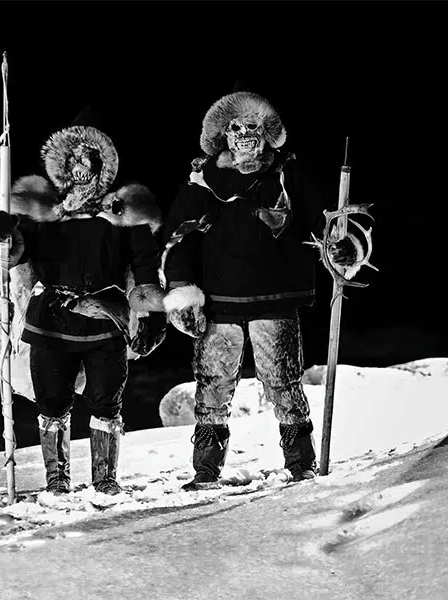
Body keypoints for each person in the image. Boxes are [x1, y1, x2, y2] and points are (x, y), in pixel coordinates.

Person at [160, 87, 358, 490]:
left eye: (253, 127)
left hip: (275, 298)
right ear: (224, 136)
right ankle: (205, 470)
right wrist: (182, 292)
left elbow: (324, 224)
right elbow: (180, 239)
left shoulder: (289, 177)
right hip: (219, 303)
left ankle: (301, 462)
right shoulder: (203, 182)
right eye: (236, 128)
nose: (245, 135)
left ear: (267, 132)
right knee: (213, 385)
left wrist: (340, 247)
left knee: (283, 381)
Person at [0, 112, 166, 496]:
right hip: (50, 323)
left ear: (103, 166)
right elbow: (8, 259)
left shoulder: (123, 218)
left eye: (89, 159)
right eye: (73, 159)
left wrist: (152, 314)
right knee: (52, 404)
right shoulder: (41, 216)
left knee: (106, 403)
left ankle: (105, 480)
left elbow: (144, 267)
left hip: (105, 320)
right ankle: (57, 480)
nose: (81, 167)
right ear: (61, 166)